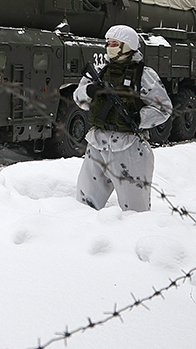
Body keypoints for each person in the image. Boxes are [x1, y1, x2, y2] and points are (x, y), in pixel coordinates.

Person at [73, 25, 173, 212]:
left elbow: (164, 108)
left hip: (129, 147)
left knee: (135, 210)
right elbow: (79, 99)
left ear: (128, 46)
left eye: (115, 44)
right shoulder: (99, 71)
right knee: (84, 205)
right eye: (108, 43)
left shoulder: (144, 75)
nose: (110, 47)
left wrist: (140, 118)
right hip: (97, 143)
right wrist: (89, 91)